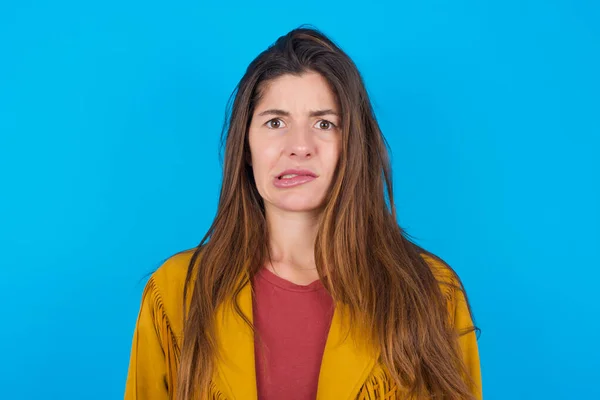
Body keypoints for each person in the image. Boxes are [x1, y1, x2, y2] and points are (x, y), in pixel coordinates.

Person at [124, 26, 482, 400]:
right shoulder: (175, 293)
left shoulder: (430, 292)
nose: (299, 146)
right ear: (246, 146)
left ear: (353, 146)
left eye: (324, 123)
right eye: (275, 122)